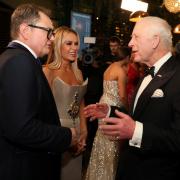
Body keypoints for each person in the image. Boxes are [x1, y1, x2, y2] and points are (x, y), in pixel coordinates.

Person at [84, 16, 180, 180]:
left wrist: (136, 131)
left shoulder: (176, 76)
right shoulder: (148, 72)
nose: (129, 43)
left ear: (155, 41)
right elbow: (140, 116)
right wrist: (110, 111)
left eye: (135, 37)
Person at [0, 4, 77, 180]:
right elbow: (21, 128)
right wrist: (66, 136)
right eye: (48, 31)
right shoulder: (19, 62)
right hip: (24, 168)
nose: (52, 38)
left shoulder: (15, 58)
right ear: (25, 30)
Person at [43, 26, 87, 180]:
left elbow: (80, 103)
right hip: (56, 131)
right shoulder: (47, 71)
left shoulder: (78, 72)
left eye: (76, 44)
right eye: (68, 43)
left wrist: (84, 128)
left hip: (77, 129)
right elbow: (42, 109)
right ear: (57, 45)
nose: (74, 48)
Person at [85, 47, 130, 180]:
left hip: (103, 102)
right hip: (113, 107)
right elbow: (122, 95)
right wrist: (128, 110)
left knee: (102, 139)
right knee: (112, 142)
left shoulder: (108, 68)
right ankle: (108, 175)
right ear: (127, 57)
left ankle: (98, 174)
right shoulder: (120, 71)